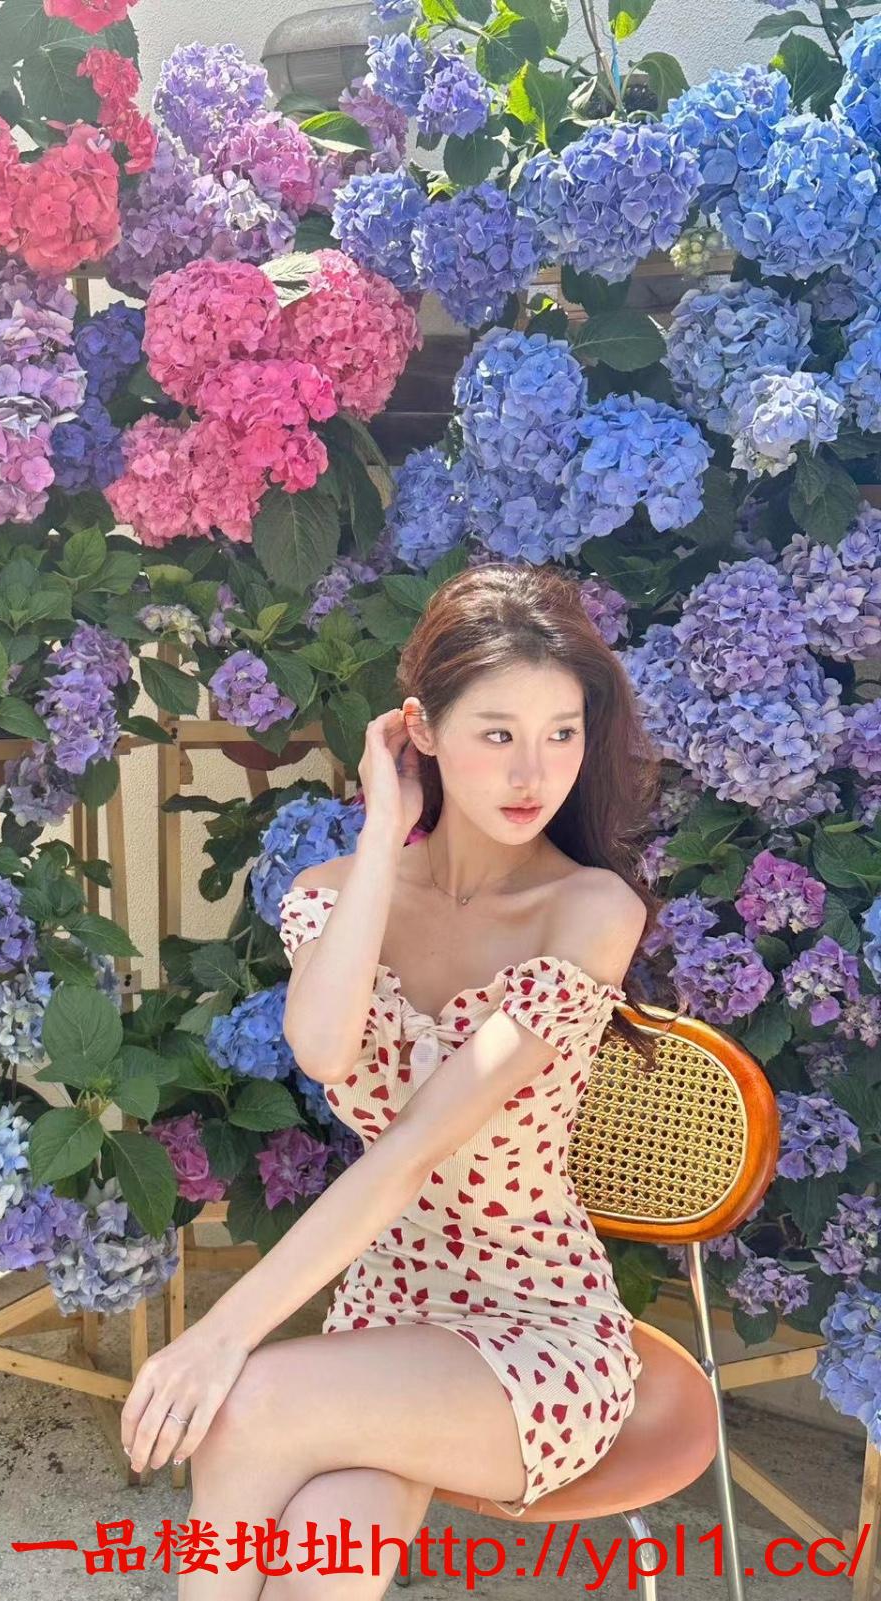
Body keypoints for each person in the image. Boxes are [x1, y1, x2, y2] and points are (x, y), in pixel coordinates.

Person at [121, 562, 665, 1599]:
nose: (533, 771)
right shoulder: (337, 893)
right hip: (389, 1311)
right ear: (424, 730)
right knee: (320, 1560)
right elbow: (325, 1049)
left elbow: (413, 1148)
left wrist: (221, 1333)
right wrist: (381, 831)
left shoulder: (590, 911)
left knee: (245, 1403)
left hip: (537, 1327)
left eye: (562, 732)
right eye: (497, 732)